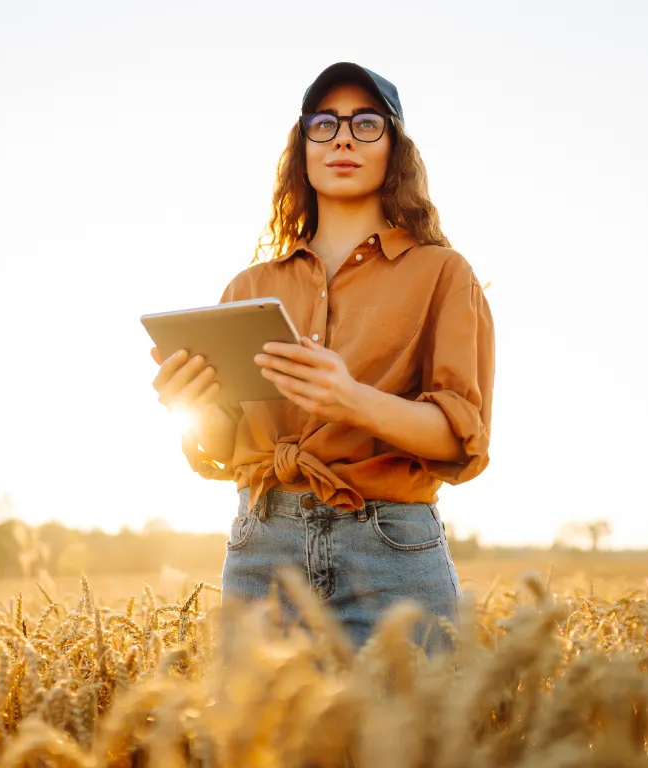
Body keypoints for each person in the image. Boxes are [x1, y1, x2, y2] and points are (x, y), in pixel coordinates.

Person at [149, 62, 495, 655]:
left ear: (396, 150)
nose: (341, 138)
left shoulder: (443, 273)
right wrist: (191, 405)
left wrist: (353, 401)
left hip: (391, 553)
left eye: (366, 124)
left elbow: (462, 438)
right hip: (261, 550)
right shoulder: (248, 287)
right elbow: (220, 452)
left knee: (403, 748)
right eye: (324, 123)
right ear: (301, 148)